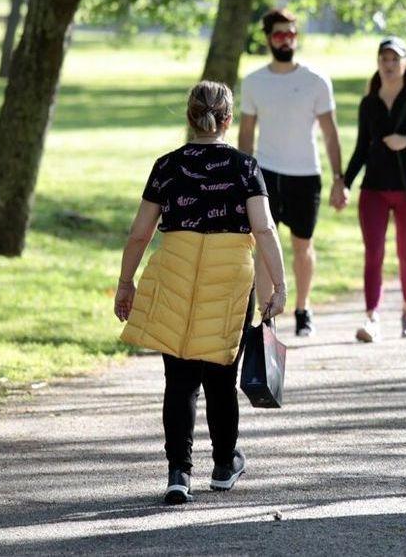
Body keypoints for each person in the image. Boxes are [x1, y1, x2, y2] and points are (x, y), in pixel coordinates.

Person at [114, 81, 288, 505]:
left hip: (174, 268)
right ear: (227, 119)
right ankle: (225, 464)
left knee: (179, 381)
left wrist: (126, 282)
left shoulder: (166, 166)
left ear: (190, 116)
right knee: (220, 378)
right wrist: (280, 285)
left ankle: (179, 473)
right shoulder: (245, 167)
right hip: (229, 275)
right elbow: (263, 228)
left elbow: (141, 233)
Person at [238, 8, 346, 338]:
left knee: (303, 246)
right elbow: (246, 133)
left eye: (291, 34)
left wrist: (339, 179)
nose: (286, 40)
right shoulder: (254, 82)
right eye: (279, 34)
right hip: (264, 175)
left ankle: (303, 309)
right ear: (268, 38)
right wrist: (242, 178)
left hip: (305, 174)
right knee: (265, 246)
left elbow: (330, 132)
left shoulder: (315, 80)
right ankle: (266, 315)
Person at [341, 37, 406, 342]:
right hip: (373, 188)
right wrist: (345, 183)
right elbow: (362, 147)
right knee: (373, 253)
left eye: (394, 59)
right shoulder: (369, 102)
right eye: (383, 59)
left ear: (404, 63)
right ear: (378, 63)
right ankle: (372, 316)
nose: (388, 65)